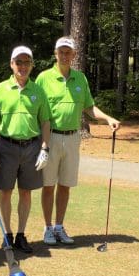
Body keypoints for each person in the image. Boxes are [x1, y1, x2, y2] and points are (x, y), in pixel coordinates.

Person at [35, 36, 121, 245]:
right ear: (55, 54)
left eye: (68, 52)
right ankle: (47, 228)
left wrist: (108, 118)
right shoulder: (43, 78)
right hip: (51, 137)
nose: (64, 55)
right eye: (61, 52)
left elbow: (89, 107)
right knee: (48, 185)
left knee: (65, 185)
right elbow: (35, 109)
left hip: (73, 138)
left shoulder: (80, 79)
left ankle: (59, 226)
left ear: (74, 55)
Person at [0, 46, 51, 253]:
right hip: (6, 146)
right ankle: (6, 234)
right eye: (19, 62)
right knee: (5, 191)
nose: (22, 66)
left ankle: (21, 234)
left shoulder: (39, 91)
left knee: (25, 192)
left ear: (32, 65)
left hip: (32, 147)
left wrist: (45, 147)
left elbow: (45, 122)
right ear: (11, 64)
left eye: (26, 62)